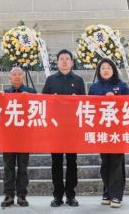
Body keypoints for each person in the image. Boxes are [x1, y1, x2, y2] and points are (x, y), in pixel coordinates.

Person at [42, 49, 86, 207]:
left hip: (72, 128)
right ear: (57, 62)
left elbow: (85, 104)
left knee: (72, 162)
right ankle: (58, 196)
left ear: (72, 62)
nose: (65, 61)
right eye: (62, 59)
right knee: (56, 163)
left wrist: (76, 100)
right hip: (55, 129)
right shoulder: (50, 80)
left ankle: (71, 195)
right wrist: (52, 100)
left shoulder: (79, 80)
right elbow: (43, 102)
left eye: (67, 59)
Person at [88, 58, 129, 208]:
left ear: (113, 70)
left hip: (118, 130)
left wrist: (116, 99)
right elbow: (89, 106)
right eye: (103, 68)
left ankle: (116, 196)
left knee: (117, 162)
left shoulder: (121, 85)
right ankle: (107, 192)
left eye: (108, 67)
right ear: (99, 71)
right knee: (105, 162)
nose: (106, 70)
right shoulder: (94, 87)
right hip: (102, 130)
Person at [1, 67, 36, 208]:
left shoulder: (31, 92)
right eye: (13, 74)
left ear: (23, 76)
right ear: (9, 78)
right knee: (8, 167)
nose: (16, 76)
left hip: (24, 136)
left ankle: (22, 195)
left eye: (19, 74)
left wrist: (30, 98)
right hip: (8, 136)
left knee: (22, 167)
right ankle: (8, 195)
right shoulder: (4, 93)